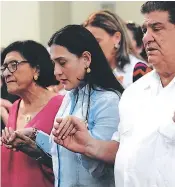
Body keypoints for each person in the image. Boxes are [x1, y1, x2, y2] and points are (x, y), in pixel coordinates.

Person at [51, 2, 175, 187]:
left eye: (156, 28)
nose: (147, 38)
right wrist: (88, 145)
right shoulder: (134, 92)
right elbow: (121, 149)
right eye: (145, 30)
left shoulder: (113, 92)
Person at [2, 25, 124, 187]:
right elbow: (64, 160)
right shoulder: (70, 97)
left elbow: (105, 170)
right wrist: (36, 137)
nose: (57, 72)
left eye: (62, 62)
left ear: (86, 59)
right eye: (54, 64)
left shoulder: (107, 100)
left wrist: (86, 145)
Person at [0, 40, 64, 187]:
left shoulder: (61, 105)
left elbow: (68, 161)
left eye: (13, 65)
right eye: (4, 67)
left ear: (36, 69)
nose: (6, 73)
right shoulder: (15, 107)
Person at [83, 10, 152, 88]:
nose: (90, 47)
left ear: (116, 38)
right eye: (87, 42)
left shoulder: (139, 70)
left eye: (97, 41)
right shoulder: (87, 71)